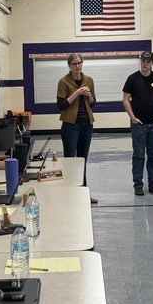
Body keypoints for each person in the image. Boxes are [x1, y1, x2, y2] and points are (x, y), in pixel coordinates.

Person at [122, 50, 153, 196]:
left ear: (152, 63)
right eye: (143, 61)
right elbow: (125, 99)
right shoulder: (132, 79)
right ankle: (138, 185)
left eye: (148, 62)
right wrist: (132, 117)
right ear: (140, 62)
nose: (145, 64)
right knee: (139, 155)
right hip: (139, 125)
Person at [57, 52, 98, 201]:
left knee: (82, 160)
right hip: (70, 126)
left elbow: (93, 103)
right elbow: (61, 105)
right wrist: (77, 93)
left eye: (80, 63)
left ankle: (83, 193)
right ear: (69, 65)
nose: (78, 66)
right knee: (70, 160)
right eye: (74, 63)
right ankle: (69, 193)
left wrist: (88, 95)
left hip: (86, 124)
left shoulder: (89, 80)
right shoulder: (63, 81)